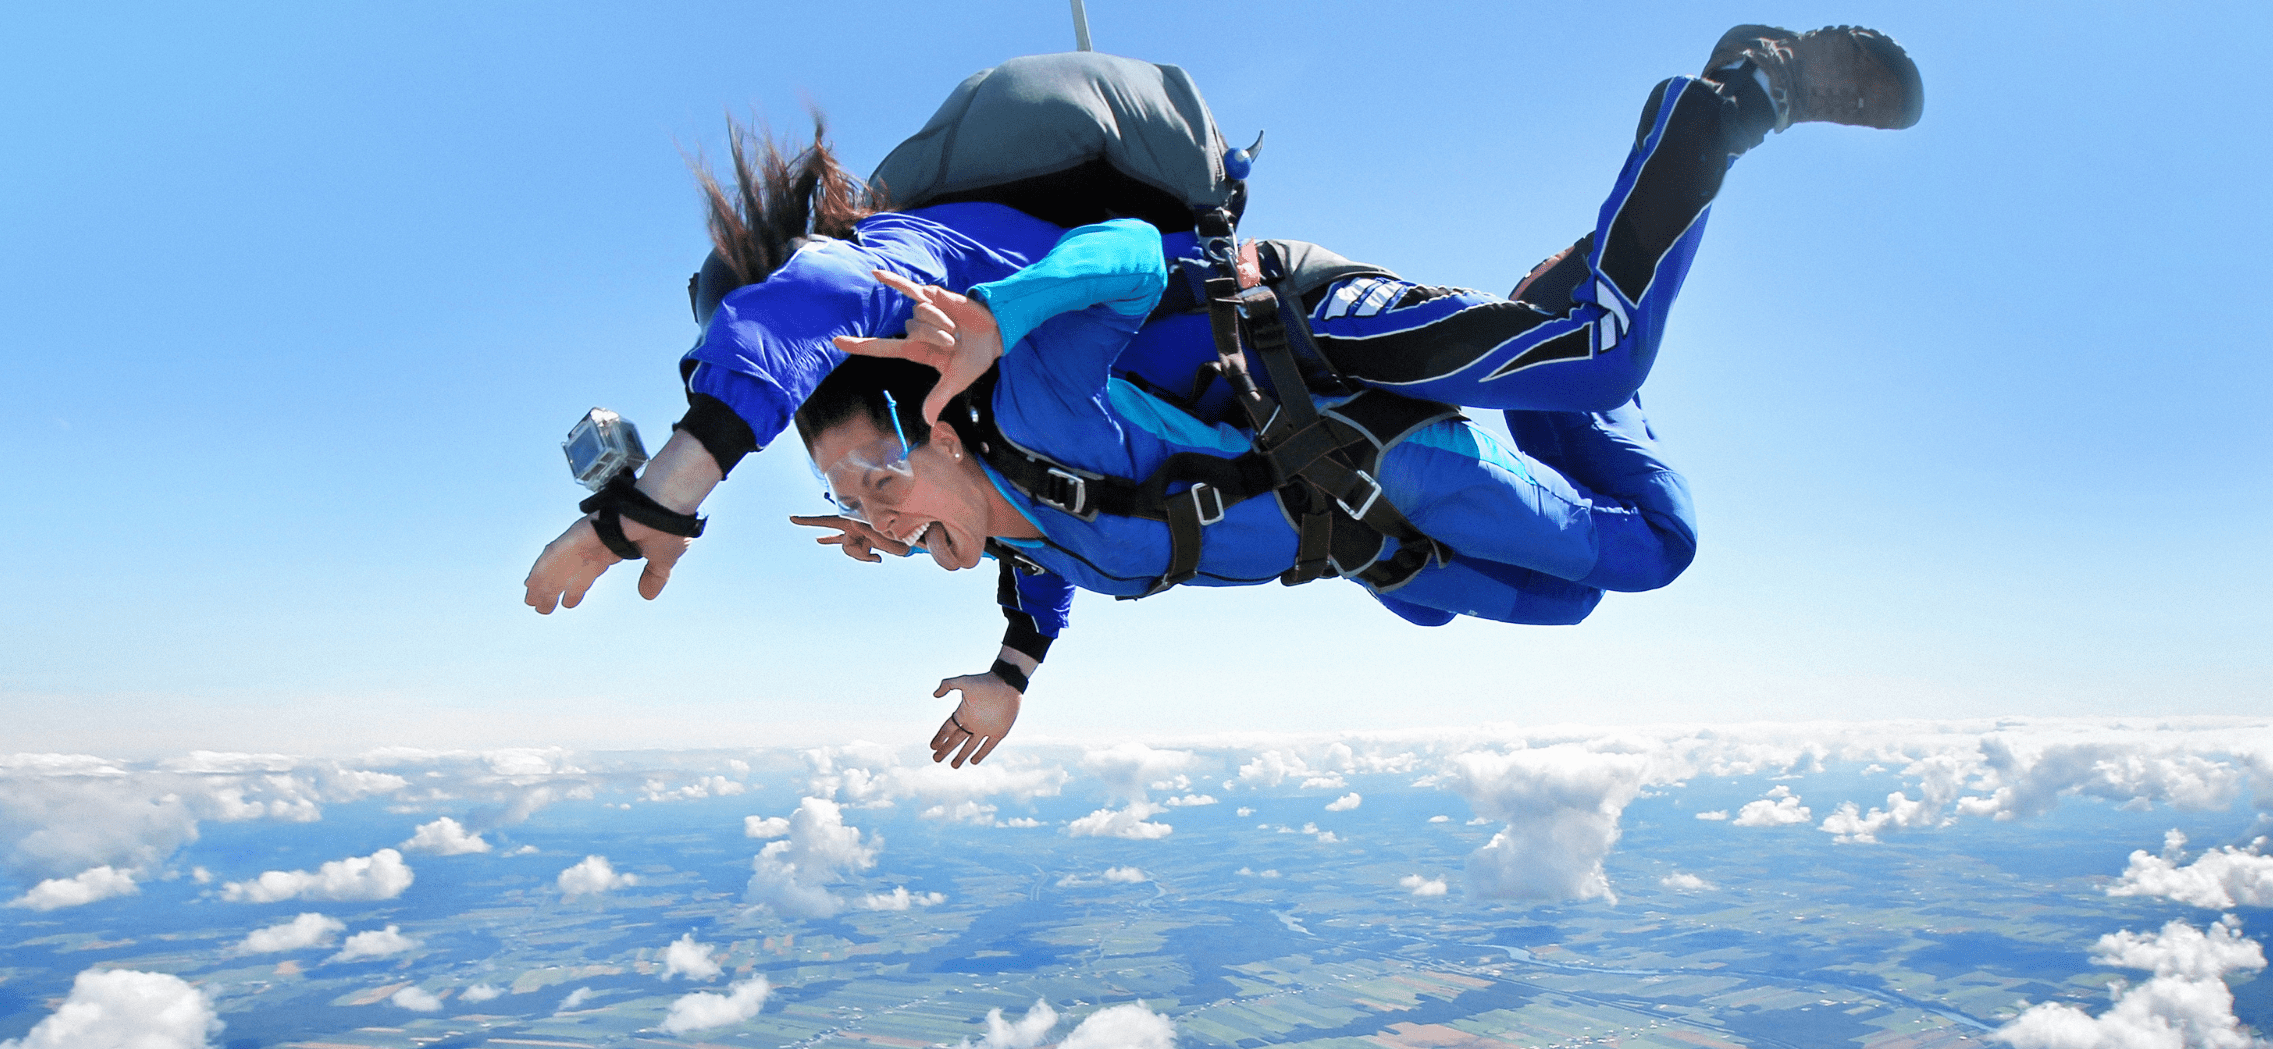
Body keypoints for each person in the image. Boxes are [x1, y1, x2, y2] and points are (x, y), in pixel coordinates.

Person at [521, 24, 1923, 623]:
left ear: (927, 397)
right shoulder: (1020, 500)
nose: (879, 521)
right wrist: (1006, 657)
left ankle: (1728, 100)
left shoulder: (939, 297)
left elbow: (815, 307)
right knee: (1594, 579)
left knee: (1594, 359)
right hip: (1365, 525)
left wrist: (668, 495)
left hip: (1297, 335)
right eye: (867, 508)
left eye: (878, 478)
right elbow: (1063, 542)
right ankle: (1565, 319)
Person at [800, 216, 1696, 767]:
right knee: (1565, 604)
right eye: (848, 502)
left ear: (945, 432)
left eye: (879, 480)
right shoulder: (1018, 539)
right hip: (1359, 544)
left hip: (1378, 462)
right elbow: (1045, 568)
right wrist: (1008, 678)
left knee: (1653, 552)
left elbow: (1135, 257)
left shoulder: (1038, 409)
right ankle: (1552, 404)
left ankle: (1580, 317)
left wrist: (1007, 309)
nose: (874, 520)